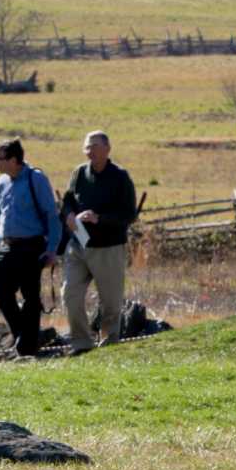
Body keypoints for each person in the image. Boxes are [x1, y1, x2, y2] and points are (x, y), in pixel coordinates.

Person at [58, 130, 138, 352]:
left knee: (111, 303)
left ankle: (110, 343)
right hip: (79, 245)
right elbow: (67, 202)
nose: (89, 151)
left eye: (94, 146)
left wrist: (99, 219)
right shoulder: (78, 174)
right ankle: (81, 343)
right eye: (86, 147)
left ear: (107, 149)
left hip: (108, 248)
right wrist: (71, 217)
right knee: (70, 294)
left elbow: (129, 214)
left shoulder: (120, 177)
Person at [0, 138, 60, 358]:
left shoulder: (36, 179)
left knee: (30, 296)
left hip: (32, 245)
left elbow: (51, 215)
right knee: (1, 290)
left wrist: (52, 249)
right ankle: (23, 336)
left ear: (14, 160)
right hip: (7, 245)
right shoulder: (1, 182)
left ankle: (27, 347)